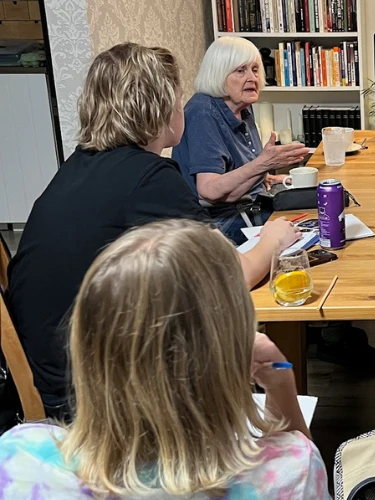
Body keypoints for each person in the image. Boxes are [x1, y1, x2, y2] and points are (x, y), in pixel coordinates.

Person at [5, 43, 301, 419]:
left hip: (49, 373)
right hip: (93, 397)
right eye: (178, 97)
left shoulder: (78, 166)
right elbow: (230, 276)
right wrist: (275, 239)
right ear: (162, 106)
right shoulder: (151, 178)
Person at [0, 220, 330, 498]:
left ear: (88, 347)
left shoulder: (17, 456)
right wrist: (281, 385)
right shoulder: (287, 472)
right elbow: (300, 466)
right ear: (229, 350)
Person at [172, 37, 310, 245]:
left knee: (320, 205)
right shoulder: (203, 112)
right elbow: (209, 190)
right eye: (240, 70)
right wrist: (264, 163)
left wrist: (271, 178)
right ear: (218, 74)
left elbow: (238, 178)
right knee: (308, 229)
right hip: (217, 224)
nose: (252, 78)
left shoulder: (242, 106)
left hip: (248, 205)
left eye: (255, 70)